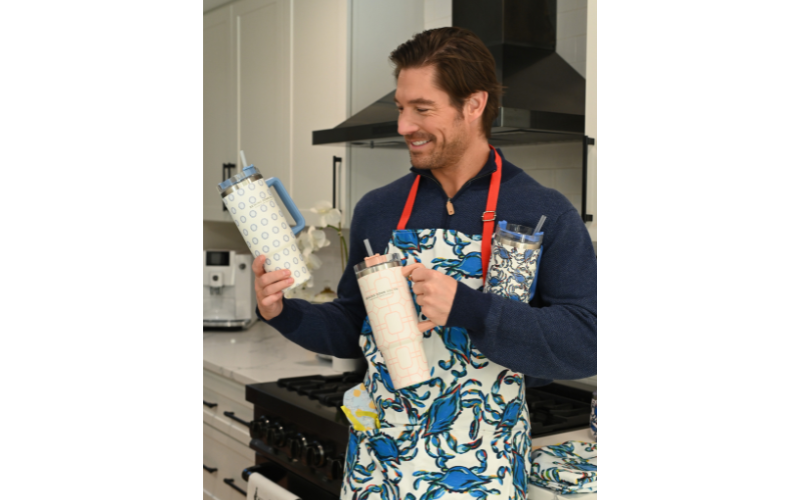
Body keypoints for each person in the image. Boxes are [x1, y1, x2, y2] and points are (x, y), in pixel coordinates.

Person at [252, 27, 596, 500]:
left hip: (482, 468)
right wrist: (283, 311)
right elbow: (353, 323)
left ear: (473, 105)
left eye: (423, 109)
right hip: (380, 463)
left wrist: (468, 309)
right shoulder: (378, 208)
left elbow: (588, 342)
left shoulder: (543, 212)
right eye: (400, 107)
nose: (403, 126)